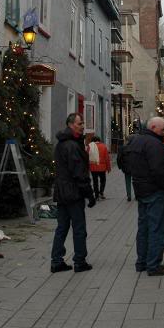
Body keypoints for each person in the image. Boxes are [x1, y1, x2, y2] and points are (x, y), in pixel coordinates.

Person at [120, 116, 164, 276]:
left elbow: (128, 164)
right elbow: (158, 170)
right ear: (153, 128)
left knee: (143, 228)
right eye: (162, 129)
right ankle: (154, 264)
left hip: (141, 190)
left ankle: (142, 262)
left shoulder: (136, 141)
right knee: (158, 228)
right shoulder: (155, 145)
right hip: (155, 191)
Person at [51, 113, 96, 274]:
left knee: (62, 227)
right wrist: (89, 194)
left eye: (82, 122)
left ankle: (56, 261)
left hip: (62, 192)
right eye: (80, 123)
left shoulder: (63, 143)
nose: (82, 125)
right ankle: (79, 261)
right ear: (71, 125)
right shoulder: (71, 145)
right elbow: (79, 173)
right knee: (79, 228)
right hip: (73, 192)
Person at [87, 135, 111, 200]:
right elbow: (107, 158)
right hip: (102, 167)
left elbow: (87, 156)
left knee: (95, 181)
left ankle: (96, 195)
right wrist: (108, 168)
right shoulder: (103, 146)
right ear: (99, 140)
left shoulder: (90, 146)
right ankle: (101, 192)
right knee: (103, 180)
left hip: (93, 167)